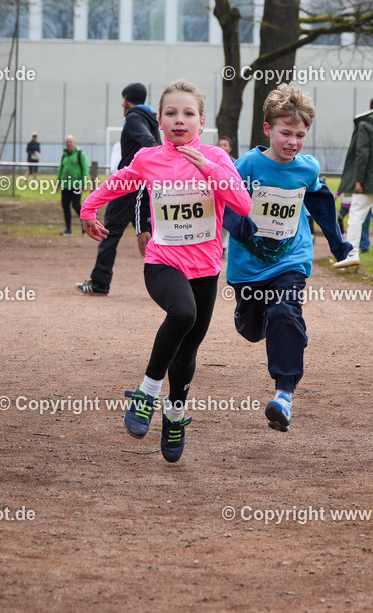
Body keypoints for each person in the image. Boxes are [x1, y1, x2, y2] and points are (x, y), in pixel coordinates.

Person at [81, 79, 252, 463]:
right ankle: (146, 392)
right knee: (184, 313)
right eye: (171, 113)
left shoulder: (217, 158)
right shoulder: (149, 158)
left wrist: (208, 168)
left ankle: (174, 415)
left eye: (188, 114)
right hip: (163, 261)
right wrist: (88, 209)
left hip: (206, 268)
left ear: (201, 121)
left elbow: (241, 204)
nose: (179, 120)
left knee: (188, 349)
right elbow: (119, 183)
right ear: (159, 120)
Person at [222, 83, 351, 432]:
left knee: (285, 311)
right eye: (285, 133)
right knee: (252, 331)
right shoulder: (247, 164)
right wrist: (247, 234)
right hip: (248, 267)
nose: (293, 141)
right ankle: (267, 324)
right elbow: (227, 206)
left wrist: (339, 245)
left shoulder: (306, 169)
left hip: (290, 260)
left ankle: (284, 394)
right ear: (267, 129)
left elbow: (322, 203)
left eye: (300, 134)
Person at [76, 82, 158, 295]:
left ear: (127, 98)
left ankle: (100, 283)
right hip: (146, 187)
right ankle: (171, 281)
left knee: (108, 233)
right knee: (154, 235)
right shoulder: (154, 120)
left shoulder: (134, 117)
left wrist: (139, 166)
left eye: (123, 98)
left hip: (128, 187)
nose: (122, 103)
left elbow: (148, 143)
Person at [332, 96, 373, 268]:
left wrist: (358, 179)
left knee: (356, 215)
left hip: (369, 180)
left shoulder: (365, 125)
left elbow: (362, 153)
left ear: (370, 107)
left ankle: (352, 253)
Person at [56, 135, 88, 236]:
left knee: (76, 205)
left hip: (76, 184)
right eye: (67, 142)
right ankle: (68, 229)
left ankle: (86, 226)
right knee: (65, 206)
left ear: (75, 143)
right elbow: (61, 169)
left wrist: (85, 183)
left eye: (70, 142)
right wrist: (58, 183)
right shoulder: (64, 155)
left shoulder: (80, 154)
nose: (68, 144)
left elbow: (85, 169)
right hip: (65, 185)